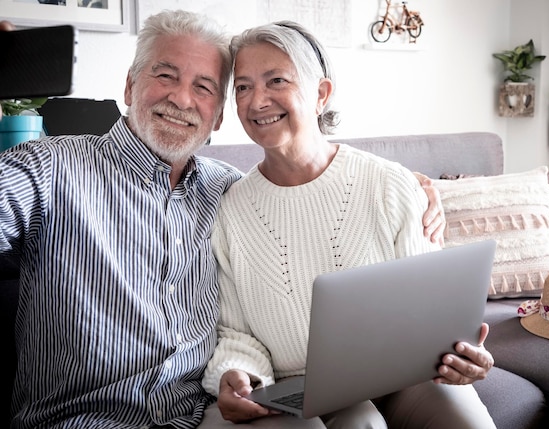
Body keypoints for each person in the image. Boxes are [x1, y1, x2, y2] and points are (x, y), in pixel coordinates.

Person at [0, 11, 444, 428]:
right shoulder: (48, 169)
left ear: (218, 114)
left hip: (200, 416)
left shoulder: (229, 190)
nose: (181, 98)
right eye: (165, 75)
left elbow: (312, 206)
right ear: (131, 86)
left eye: (205, 87)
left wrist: (418, 190)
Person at [202, 21, 496, 428]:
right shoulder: (230, 209)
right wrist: (241, 375)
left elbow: (429, 309)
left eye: (276, 81)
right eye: (243, 87)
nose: (257, 101)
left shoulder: (390, 183)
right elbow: (236, 332)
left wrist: (459, 354)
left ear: (321, 94)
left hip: (402, 374)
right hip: (294, 385)